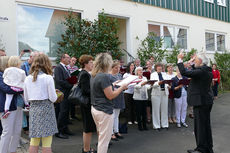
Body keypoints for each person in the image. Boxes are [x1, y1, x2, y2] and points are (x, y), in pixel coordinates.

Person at [90, 53, 128, 153]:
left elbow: (101, 88)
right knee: (104, 140)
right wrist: (121, 88)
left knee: (101, 136)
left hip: (95, 108)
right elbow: (110, 95)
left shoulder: (94, 75)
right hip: (104, 110)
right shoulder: (104, 76)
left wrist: (113, 84)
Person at [177, 52, 214, 153]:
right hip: (205, 101)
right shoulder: (206, 70)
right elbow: (194, 70)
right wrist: (191, 62)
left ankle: (201, 149)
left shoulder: (202, 71)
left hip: (201, 102)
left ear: (200, 61)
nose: (194, 61)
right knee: (205, 125)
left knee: (200, 126)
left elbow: (184, 72)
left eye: (196, 59)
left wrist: (180, 59)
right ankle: (207, 148)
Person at [24, 54, 58, 153]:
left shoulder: (27, 78)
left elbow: (26, 98)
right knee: (47, 143)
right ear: (46, 64)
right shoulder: (48, 78)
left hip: (34, 110)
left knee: (34, 141)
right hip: (46, 109)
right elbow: (53, 98)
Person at [0, 56, 23, 153]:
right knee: (7, 132)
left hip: (18, 105)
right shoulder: (1, 75)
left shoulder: (14, 74)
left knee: (17, 131)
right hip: (8, 108)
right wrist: (20, 89)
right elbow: (6, 89)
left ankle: (12, 151)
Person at [78, 55, 97, 153]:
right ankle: (86, 149)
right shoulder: (84, 74)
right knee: (87, 128)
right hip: (86, 104)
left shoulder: (84, 73)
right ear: (85, 64)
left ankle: (87, 148)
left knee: (88, 128)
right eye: (90, 62)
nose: (92, 64)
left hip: (87, 103)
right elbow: (85, 90)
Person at [54, 53, 74, 139]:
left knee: (66, 111)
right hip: (62, 93)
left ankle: (65, 128)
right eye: (68, 58)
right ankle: (59, 131)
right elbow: (59, 81)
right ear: (62, 58)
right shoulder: (58, 67)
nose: (69, 59)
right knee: (62, 112)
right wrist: (70, 85)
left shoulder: (66, 67)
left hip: (67, 92)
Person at [150, 63, 169, 131]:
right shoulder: (153, 74)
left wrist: (168, 85)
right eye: (158, 67)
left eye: (161, 67)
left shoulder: (164, 74)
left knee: (164, 110)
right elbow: (152, 85)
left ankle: (164, 124)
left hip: (164, 92)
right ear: (156, 68)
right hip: (156, 93)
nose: (160, 68)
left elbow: (167, 82)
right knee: (156, 110)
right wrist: (159, 83)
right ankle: (156, 125)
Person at [109, 60, 125, 141]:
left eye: (119, 67)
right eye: (116, 67)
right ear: (112, 67)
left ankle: (116, 131)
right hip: (113, 96)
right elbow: (108, 87)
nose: (118, 69)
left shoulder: (119, 75)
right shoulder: (109, 76)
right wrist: (115, 83)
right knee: (112, 116)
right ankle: (111, 133)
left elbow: (122, 85)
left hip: (119, 96)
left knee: (117, 115)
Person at [133, 67, 150, 131]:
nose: (141, 71)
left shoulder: (144, 78)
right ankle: (140, 126)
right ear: (136, 72)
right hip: (137, 97)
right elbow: (135, 87)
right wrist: (141, 84)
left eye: (141, 70)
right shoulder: (134, 78)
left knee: (144, 112)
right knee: (138, 112)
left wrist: (150, 85)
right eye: (139, 70)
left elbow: (147, 87)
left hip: (144, 97)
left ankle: (145, 125)